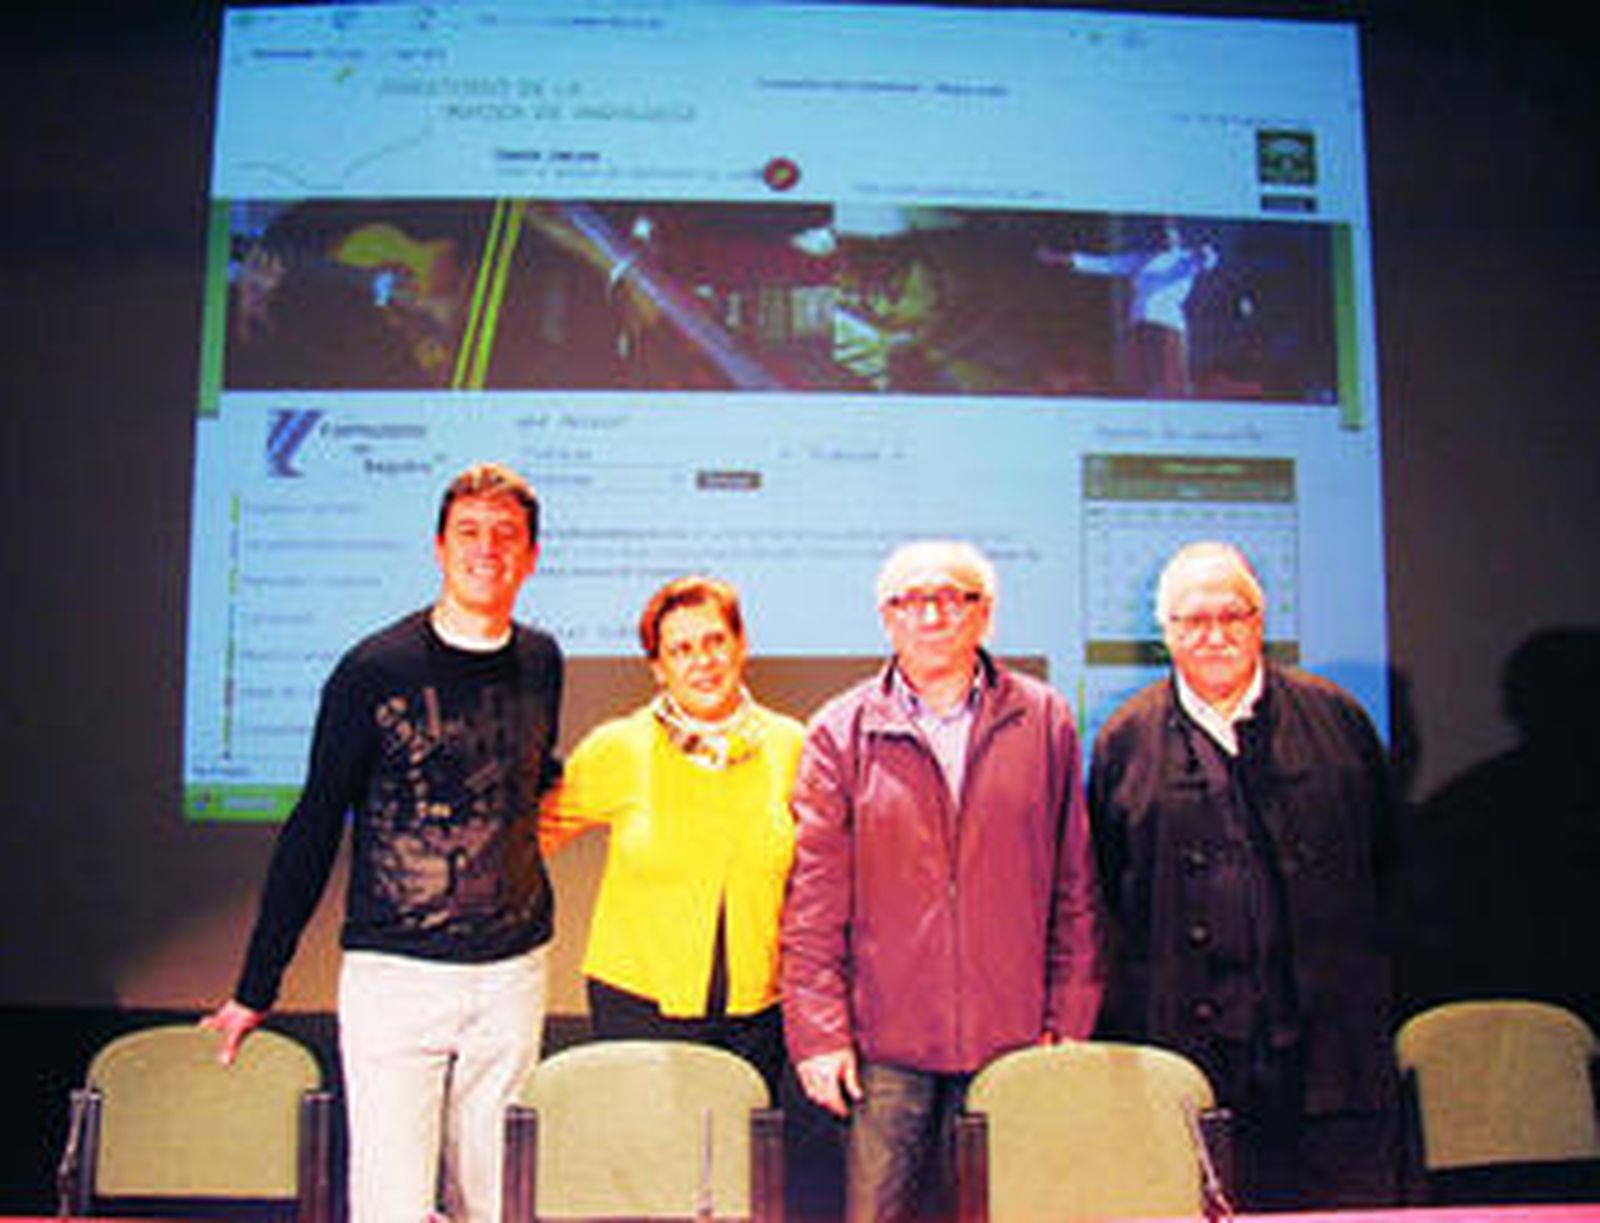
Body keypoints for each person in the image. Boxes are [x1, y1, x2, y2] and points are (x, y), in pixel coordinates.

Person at [201, 462, 563, 1223]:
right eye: (468, 532)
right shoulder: (373, 669)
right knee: (390, 1203)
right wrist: (256, 984)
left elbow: (528, 772)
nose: (487, 549)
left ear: (532, 555)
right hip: (398, 975)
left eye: (506, 535)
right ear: (438, 546)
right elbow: (314, 822)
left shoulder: (542, 659)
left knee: (497, 1202)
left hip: (513, 971)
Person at [781, 540, 1103, 1223]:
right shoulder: (840, 730)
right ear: (886, 618)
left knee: (1011, 1213)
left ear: (985, 613)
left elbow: (1074, 885)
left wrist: (1070, 1018)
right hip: (883, 1048)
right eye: (911, 601)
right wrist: (819, 1034)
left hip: (1014, 1038)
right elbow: (813, 902)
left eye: (952, 597)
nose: (931, 616)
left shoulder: (1044, 718)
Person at [1088, 540, 1396, 1210]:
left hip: (1330, 1054)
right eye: (1195, 620)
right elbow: (1110, 893)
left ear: (1261, 621)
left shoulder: (1337, 720)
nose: (1216, 635)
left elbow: (1385, 862)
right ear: (1167, 632)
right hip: (1192, 1054)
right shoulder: (1125, 741)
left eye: (1233, 615)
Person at [539, 576, 805, 1095]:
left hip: (759, 1013)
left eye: (715, 641)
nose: (702, 661)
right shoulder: (620, 748)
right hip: (638, 1004)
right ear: (658, 668)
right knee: (652, 1145)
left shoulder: (791, 745)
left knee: (740, 1146)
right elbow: (528, 840)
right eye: (681, 650)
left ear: (741, 645)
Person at [1037, 218, 1218, 396]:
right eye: (1159, 235)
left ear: (1177, 237)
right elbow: (1100, 264)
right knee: (1141, 380)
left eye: (1169, 234)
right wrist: (1056, 258)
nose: (1164, 238)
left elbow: (1209, 260)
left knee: (1174, 381)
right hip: (1142, 321)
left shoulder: (1187, 258)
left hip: (1168, 322)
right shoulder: (1141, 259)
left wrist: (1203, 253)